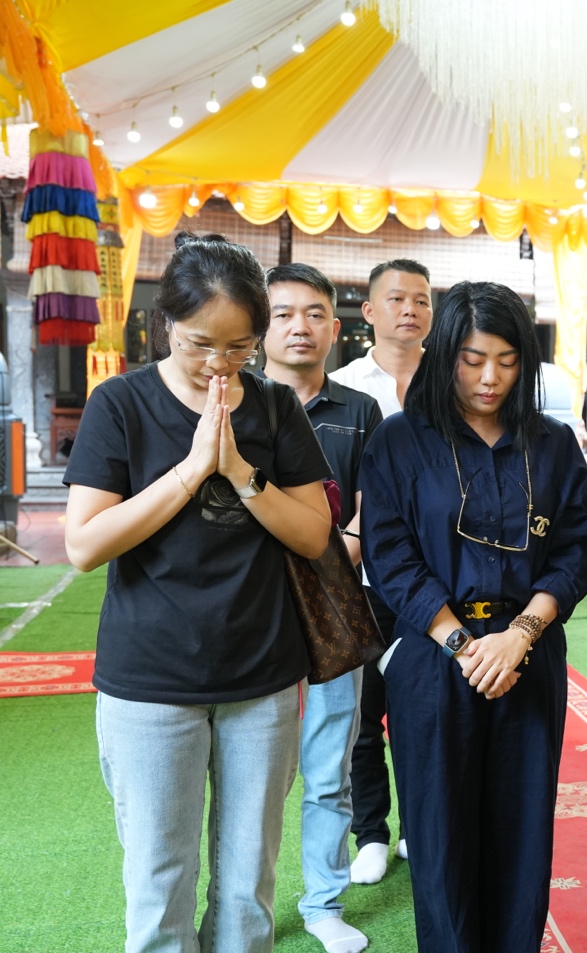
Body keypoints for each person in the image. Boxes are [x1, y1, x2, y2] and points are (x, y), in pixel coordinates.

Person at [64, 233, 332, 952]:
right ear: (163, 326)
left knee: (249, 889)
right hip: (150, 680)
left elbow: (314, 534)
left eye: (239, 346)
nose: (219, 363)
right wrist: (190, 470)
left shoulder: (276, 408)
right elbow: (85, 543)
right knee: (160, 882)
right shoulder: (120, 403)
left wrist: (242, 472)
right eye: (199, 344)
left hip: (262, 674)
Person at [360, 281, 587, 951]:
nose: (490, 377)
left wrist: (521, 634)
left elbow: (581, 546)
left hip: (529, 654)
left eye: (506, 358)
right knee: (439, 837)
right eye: (472, 358)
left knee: (522, 832)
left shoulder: (552, 444)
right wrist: (465, 644)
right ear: (445, 355)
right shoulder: (399, 441)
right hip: (437, 659)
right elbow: (390, 556)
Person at [263, 263, 384, 953]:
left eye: (314, 314)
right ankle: (246, 908)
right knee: (258, 772)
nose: (300, 326)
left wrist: (348, 544)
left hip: (337, 608)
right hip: (253, 615)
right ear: (261, 325)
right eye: (284, 313)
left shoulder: (359, 411)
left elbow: (371, 507)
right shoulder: (238, 404)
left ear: (337, 329)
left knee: (330, 761)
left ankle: (323, 902)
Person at [331, 258, 433, 884]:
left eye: (421, 300)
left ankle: (422, 827)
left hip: (434, 581)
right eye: (396, 298)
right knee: (363, 715)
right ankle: (371, 830)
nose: (410, 310)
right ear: (368, 312)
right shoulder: (343, 386)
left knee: (428, 709)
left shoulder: (452, 384)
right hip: (359, 580)